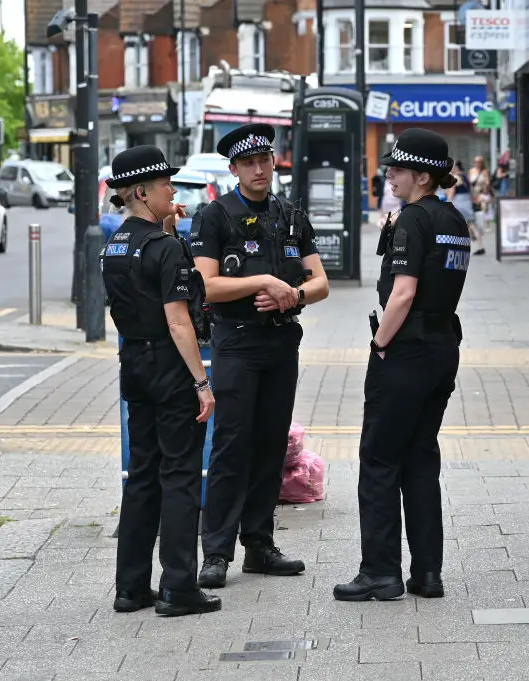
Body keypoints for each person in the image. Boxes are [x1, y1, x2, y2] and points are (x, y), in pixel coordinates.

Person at [189, 123, 329, 588]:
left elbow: (320, 282)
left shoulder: (290, 215)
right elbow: (206, 284)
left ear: (274, 162)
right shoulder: (216, 216)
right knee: (232, 444)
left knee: (271, 443)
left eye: (264, 160)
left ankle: (259, 544)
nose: (258, 169)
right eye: (248, 163)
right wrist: (263, 283)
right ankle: (215, 551)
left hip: (280, 342)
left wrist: (294, 295)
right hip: (237, 341)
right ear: (234, 169)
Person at [333, 128, 470, 602]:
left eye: (398, 167)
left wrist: (379, 342)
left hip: (406, 352)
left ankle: (380, 572)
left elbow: (403, 292)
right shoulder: (453, 219)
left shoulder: (413, 219)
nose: (388, 173)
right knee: (420, 458)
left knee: (379, 460)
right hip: (442, 350)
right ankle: (427, 573)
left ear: (423, 175)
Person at [101, 145, 220, 617]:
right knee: (181, 476)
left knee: (143, 476)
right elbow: (178, 322)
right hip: (170, 366)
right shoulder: (166, 248)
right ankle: (178, 587)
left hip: (133, 361)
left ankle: (130, 588)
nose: (173, 189)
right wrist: (201, 383)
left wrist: (169, 231)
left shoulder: (115, 244)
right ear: (141, 192)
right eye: (165, 184)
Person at [448, 160, 485, 256]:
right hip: (467, 201)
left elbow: (452, 192)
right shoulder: (465, 176)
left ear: (456, 167)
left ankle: (458, 247)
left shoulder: (455, 177)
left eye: (452, 167)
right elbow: (470, 190)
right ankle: (480, 246)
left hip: (458, 202)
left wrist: (448, 203)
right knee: (471, 225)